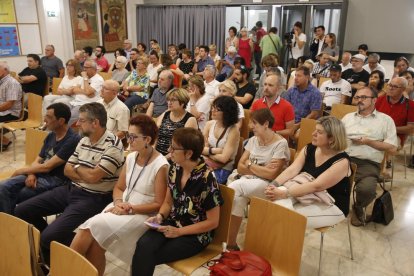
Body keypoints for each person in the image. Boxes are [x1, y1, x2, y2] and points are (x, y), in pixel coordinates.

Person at [15, 102, 125, 263]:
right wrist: (83, 172)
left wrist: (78, 168)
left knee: (49, 236)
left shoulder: (113, 146)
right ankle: (61, 245)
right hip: (71, 189)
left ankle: (54, 259)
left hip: (94, 198)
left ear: (95, 123)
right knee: (22, 211)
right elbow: (67, 169)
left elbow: (93, 177)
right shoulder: (83, 139)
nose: (77, 123)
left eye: (81, 120)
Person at [70, 114, 169, 275]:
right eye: (128, 135)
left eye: (133, 137)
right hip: (121, 206)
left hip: (143, 213)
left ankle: (61, 270)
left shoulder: (161, 165)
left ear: (148, 140)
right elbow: (119, 188)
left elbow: (159, 204)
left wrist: (130, 209)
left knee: (88, 228)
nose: (128, 140)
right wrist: (118, 203)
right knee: (95, 242)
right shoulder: (130, 157)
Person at [131, 127, 223, 276]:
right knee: (143, 246)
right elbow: (168, 203)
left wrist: (179, 232)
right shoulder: (175, 168)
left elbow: (213, 222)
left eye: (174, 148)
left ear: (188, 153)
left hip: (195, 234)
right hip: (173, 222)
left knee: (149, 255)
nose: (169, 150)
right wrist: (160, 216)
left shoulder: (207, 179)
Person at [264, 116, 351, 228]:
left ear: (332, 138)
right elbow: (292, 170)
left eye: (319, 132)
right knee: (273, 207)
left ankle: (281, 243)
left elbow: (316, 186)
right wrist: (273, 184)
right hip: (306, 194)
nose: (313, 134)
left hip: (331, 204)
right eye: (315, 130)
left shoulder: (342, 161)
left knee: (288, 219)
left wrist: (284, 193)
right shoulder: (310, 148)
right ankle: (270, 243)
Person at [227, 108, 290, 250]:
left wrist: (249, 164)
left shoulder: (281, 143)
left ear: (266, 124)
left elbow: (271, 175)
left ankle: (220, 235)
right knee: (238, 198)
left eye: (254, 123)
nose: (250, 126)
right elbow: (240, 166)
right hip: (248, 180)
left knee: (236, 188)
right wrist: (259, 167)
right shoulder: (253, 140)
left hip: (269, 187)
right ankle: (231, 244)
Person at [0, 103, 79, 214]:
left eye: (49, 117)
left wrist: (20, 171)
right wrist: (31, 174)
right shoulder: (51, 135)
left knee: (16, 193)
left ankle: (13, 225)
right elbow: (38, 159)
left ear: (61, 121)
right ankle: (9, 223)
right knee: (3, 187)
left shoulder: (72, 140)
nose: (45, 119)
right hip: (39, 173)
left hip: (55, 180)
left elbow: (47, 167)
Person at [342, 87, 397, 226]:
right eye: (357, 97)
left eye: (363, 97)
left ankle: (358, 207)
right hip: (344, 158)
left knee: (366, 190)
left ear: (374, 100)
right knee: (322, 176)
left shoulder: (386, 120)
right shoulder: (348, 118)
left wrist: (368, 142)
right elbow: (337, 137)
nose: (359, 100)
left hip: (368, 162)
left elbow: (392, 147)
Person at [202, 96, 240, 184]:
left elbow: (224, 159)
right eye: (213, 107)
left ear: (227, 113)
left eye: (217, 109)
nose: (213, 111)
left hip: (223, 169)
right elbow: (200, 149)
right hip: (205, 163)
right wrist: (216, 150)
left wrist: (207, 152)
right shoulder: (209, 124)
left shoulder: (233, 130)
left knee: (201, 180)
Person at [155, 88, 198, 156]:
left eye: (173, 100)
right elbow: (156, 136)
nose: (169, 102)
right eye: (168, 100)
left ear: (183, 102)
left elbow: (183, 147)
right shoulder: (166, 114)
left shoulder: (190, 119)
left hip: (176, 157)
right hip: (158, 154)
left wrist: (163, 160)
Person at [283, 65, 322, 137]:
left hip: (306, 124)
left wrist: (298, 125)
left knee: (297, 136)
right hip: (290, 122)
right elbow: (284, 109)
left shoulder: (315, 93)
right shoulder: (291, 91)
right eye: (295, 76)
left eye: (299, 76)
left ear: (307, 77)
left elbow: (314, 114)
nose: (296, 78)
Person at [68, 59, 104, 125]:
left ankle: (63, 133)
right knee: (59, 111)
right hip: (75, 101)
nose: (84, 69)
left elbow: (88, 91)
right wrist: (86, 92)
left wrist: (85, 78)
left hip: (86, 104)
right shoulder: (83, 77)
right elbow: (74, 89)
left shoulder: (98, 79)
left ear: (93, 69)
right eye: (83, 67)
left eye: (86, 67)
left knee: (69, 116)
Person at [0, 61, 23, 150]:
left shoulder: (12, 83)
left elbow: (9, 104)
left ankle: (5, 141)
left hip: (11, 112)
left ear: (4, 70)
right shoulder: (2, 81)